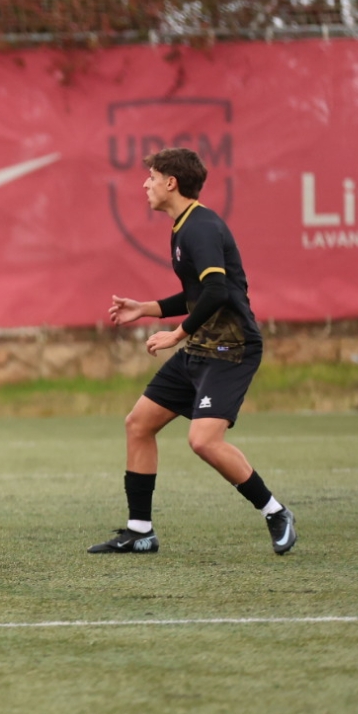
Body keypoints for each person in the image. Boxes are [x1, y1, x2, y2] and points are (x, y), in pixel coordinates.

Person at [92, 147, 295, 556]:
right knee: (138, 424)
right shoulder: (183, 226)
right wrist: (145, 308)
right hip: (202, 347)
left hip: (230, 349)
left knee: (203, 441)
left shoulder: (200, 228)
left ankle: (275, 511)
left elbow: (217, 291)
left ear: (171, 182)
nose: (145, 184)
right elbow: (197, 293)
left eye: (152, 177)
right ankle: (140, 531)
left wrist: (176, 335)